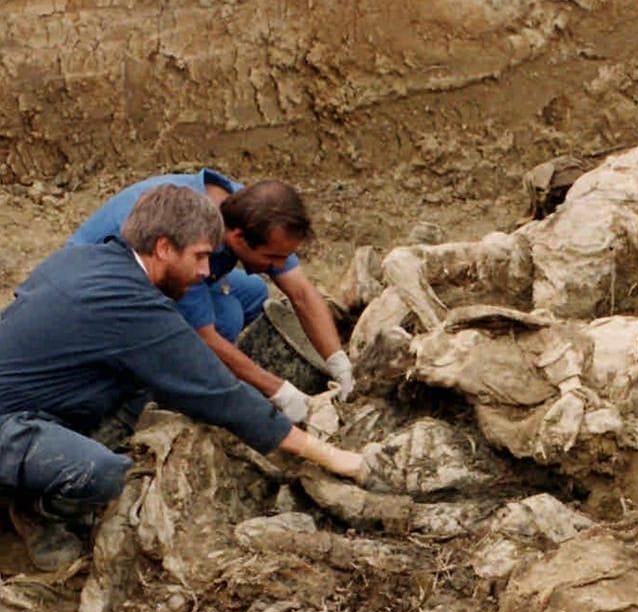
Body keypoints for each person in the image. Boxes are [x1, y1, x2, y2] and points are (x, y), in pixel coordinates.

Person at [0, 184, 368, 570]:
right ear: (162, 248)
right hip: (8, 422)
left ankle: (47, 462)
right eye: (200, 256)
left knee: (146, 381)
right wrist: (332, 456)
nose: (206, 271)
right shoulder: (132, 307)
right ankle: (36, 510)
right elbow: (219, 392)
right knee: (105, 473)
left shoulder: (89, 259)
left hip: (36, 394)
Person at [70, 168, 355, 423]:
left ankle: (223, 372)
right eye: (272, 257)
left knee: (254, 292)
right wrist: (280, 392)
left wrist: (338, 362)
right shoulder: (188, 239)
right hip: (98, 300)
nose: (278, 266)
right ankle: (154, 400)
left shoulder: (243, 207)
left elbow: (302, 293)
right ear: (238, 238)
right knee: (226, 320)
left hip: (165, 279)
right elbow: (205, 337)